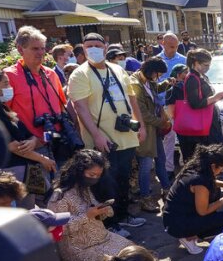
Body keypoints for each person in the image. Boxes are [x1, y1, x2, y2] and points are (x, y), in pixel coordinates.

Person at [68, 32, 147, 232]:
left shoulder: (117, 70)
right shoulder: (80, 74)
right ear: (83, 50)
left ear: (106, 46)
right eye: (88, 46)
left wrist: (141, 124)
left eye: (97, 44)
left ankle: (123, 214)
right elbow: (80, 108)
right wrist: (96, 135)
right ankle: (109, 224)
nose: (93, 49)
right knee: (105, 183)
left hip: (126, 136)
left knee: (123, 179)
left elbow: (132, 99)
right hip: (102, 139)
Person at [0, 67, 56, 206]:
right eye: (5, 84)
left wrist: (32, 142)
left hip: (28, 171)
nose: (9, 87)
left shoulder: (4, 109)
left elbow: (29, 135)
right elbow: (13, 146)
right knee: (23, 213)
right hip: (11, 174)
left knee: (36, 208)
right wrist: (43, 159)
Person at [48, 149, 134, 261]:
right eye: (91, 175)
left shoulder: (84, 188)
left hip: (102, 238)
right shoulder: (60, 195)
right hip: (79, 248)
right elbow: (57, 230)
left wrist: (102, 211)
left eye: (98, 176)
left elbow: (95, 212)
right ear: (79, 171)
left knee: (135, 253)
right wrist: (86, 216)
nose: (94, 179)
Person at [4, 26, 71, 163]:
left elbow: (61, 106)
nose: (41, 53)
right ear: (20, 49)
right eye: (35, 48)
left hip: (57, 139)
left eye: (43, 48)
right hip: (31, 148)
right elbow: (4, 114)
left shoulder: (51, 74)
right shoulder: (8, 76)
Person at [162, 144, 223, 254]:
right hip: (177, 224)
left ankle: (196, 233)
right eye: (222, 167)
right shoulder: (200, 182)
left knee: (215, 192)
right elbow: (203, 211)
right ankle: (189, 237)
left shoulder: (197, 168)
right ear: (213, 166)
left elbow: (209, 182)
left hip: (173, 218)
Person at [128, 57, 172, 212]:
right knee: (146, 166)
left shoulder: (147, 80)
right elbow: (141, 113)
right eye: (158, 74)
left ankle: (167, 190)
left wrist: (166, 84)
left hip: (154, 130)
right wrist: (162, 123)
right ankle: (145, 199)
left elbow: (153, 90)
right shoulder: (135, 84)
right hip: (144, 130)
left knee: (161, 159)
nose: (158, 77)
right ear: (151, 71)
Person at [178, 48, 223, 162]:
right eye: (205, 65)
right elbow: (195, 103)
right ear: (195, 63)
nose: (208, 68)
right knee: (208, 156)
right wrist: (215, 97)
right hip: (202, 125)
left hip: (208, 121)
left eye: (209, 65)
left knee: (213, 154)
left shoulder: (201, 76)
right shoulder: (192, 79)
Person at [157, 33, 187, 176]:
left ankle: (185, 161)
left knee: (184, 133)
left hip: (181, 104)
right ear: (163, 43)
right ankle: (169, 168)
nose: (174, 49)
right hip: (163, 105)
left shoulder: (183, 60)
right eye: (171, 46)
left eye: (176, 46)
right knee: (169, 136)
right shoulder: (156, 60)